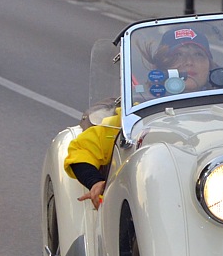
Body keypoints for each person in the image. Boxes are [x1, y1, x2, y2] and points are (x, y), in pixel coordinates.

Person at [65, 26, 214, 209]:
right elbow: (82, 150)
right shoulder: (137, 113)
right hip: (150, 204)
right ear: (161, 66)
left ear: (210, 65)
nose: (189, 62)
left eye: (199, 54)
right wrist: (95, 182)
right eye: (178, 55)